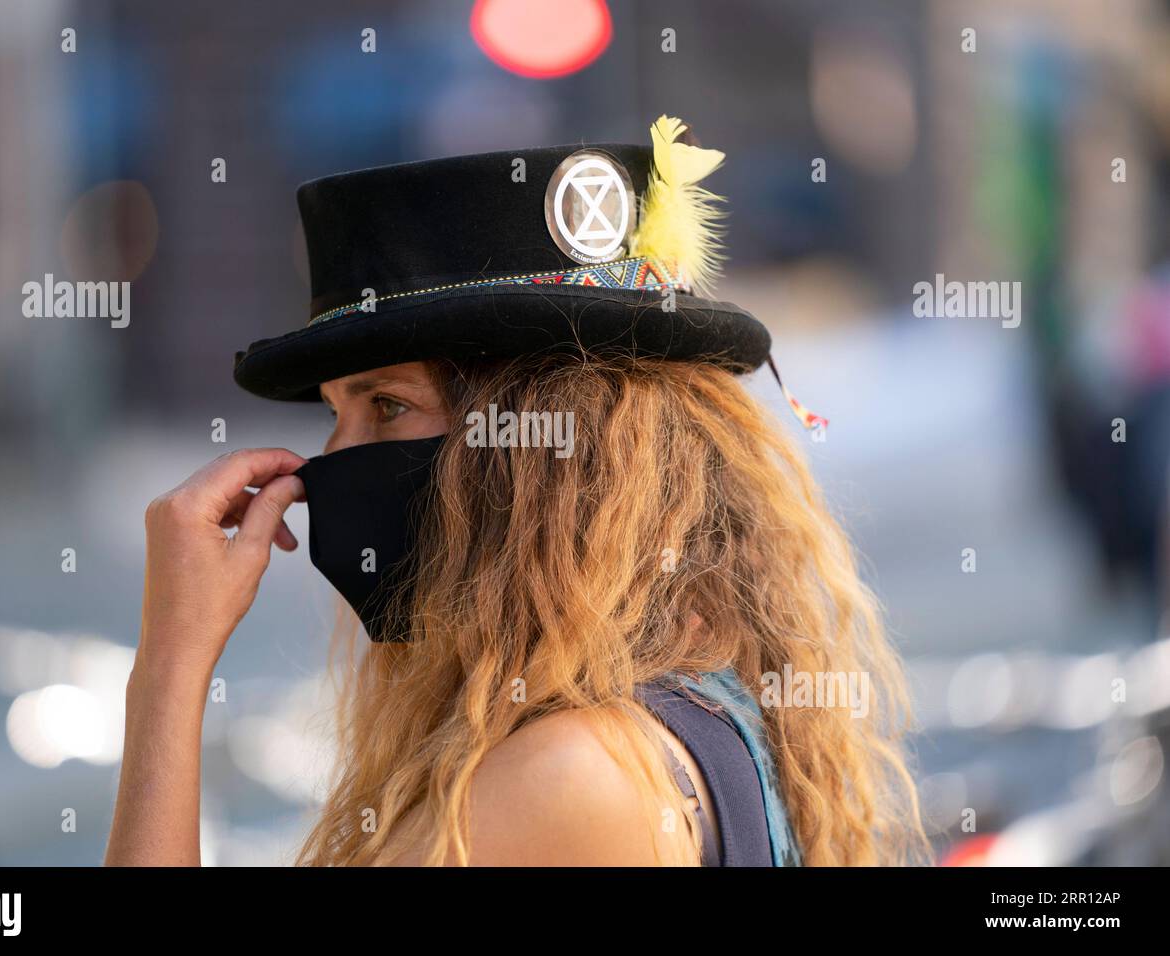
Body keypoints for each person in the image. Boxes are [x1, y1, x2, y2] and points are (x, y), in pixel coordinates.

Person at [105, 116, 926, 866]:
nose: (329, 465)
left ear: (544, 458)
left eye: (386, 405)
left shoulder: (565, 778)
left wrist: (169, 670)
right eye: (334, 413)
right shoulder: (689, 712)